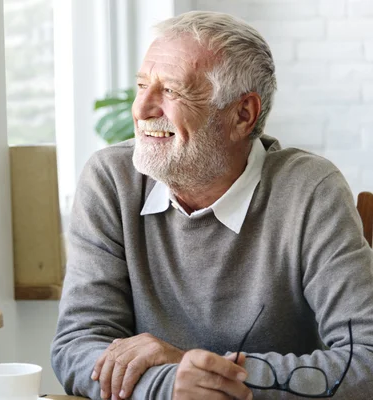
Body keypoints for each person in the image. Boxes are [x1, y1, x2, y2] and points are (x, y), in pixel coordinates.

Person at [50, 10, 373, 400]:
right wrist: (171, 385)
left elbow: (365, 361)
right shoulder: (111, 180)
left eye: (171, 91)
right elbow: (77, 347)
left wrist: (196, 369)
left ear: (242, 115)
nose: (141, 108)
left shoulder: (310, 190)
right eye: (142, 86)